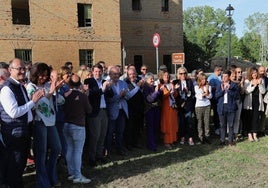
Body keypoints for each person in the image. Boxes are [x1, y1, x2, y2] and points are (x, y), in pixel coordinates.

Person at [0, 58, 43, 188]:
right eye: (19, 69)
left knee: (20, 165)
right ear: (10, 70)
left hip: (23, 131)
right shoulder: (7, 89)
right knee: (15, 167)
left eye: (24, 68)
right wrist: (33, 102)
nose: (23, 71)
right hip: (14, 134)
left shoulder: (19, 86)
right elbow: (13, 112)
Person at [27, 62, 62, 188]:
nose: (43, 77)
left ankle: (51, 175)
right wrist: (50, 93)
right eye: (41, 75)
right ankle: (43, 183)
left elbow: (61, 100)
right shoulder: (31, 86)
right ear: (35, 74)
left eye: (45, 75)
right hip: (40, 122)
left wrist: (56, 91)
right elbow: (38, 105)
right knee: (41, 154)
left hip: (51, 122)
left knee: (57, 148)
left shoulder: (48, 85)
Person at [63, 74, 92, 184]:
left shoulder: (65, 95)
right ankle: (77, 175)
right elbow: (89, 110)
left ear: (69, 84)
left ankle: (72, 173)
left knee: (70, 149)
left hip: (66, 125)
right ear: (79, 84)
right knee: (77, 151)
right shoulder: (82, 96)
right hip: (78, 126)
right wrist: (86, 95)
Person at [83, 64, 112, 166]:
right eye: (96, 71)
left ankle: (99, 155)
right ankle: (91, 158)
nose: (98, 73)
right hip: (95, 112)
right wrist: (102, 89)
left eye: (100, 72)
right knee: (95, 136)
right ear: (92, 72)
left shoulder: (104, 82)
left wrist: (109, 88)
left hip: (104, 111)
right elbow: (90, 93)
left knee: (102, 135)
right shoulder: (89, 81)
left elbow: (110, 95)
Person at [105, 66, 137, 156]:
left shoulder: (123, 83)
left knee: (120, 131)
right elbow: (108, 100)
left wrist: (125, 95)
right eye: (114, 74)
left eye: (118, 74)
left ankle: (119, 148)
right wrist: (119, 96)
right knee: (110, 132)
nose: (116, 75)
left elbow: (128, 96)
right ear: (110, 74)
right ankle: (108, 150)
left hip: (122, 111)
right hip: (112, 111)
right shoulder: (107, 84)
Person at [215, 70, 239, 146]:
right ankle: (222, 140)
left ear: (229, 77)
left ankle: (230, 141)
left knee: (231, 125)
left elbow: (236, 96)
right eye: (223, 76)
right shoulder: (219, 85)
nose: (224, 78)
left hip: (230, 107)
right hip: (221, 107)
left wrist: (229, 90)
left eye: (225, 76)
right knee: (222, 125)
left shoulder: (233, 85)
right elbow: (216, 96)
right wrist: (222, 91)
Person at [173, 67, 195, 145]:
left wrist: (188, 92)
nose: (183, 75)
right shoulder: (175, 82)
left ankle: (190, 137)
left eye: (184, 73)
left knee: (189, 122)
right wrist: (175, 90)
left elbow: (192, 94)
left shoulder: (189, 82)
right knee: (181, 122)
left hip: (188, 104)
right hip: (180, 106)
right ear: (178, 74)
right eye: (181, 73)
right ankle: (182, 137)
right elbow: (173, 95)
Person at [243, 67, 266, 142]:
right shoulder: (247, 81)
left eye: (255, 72)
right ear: (250, 73)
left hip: (257, 102)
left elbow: (263, 92)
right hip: (249, 103)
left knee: (256, 119)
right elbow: (246, 91)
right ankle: (250, 134)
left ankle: (255, 134)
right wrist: (253, 85)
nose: (254, 74)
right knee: (249, 118)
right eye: (253, 73)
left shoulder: (260, 80)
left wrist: (259, 84)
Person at [124, 68, 145, 150]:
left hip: (138, 108)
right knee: (130, 127)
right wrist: (138, 87)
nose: (132, 76)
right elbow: (129, 96)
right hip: (130, 109)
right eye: (130, 74)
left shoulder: (137, 82)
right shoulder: (126, 83)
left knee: (137, 126)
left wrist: (141, 87)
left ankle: (135, 142)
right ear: (128, 75)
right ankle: (128, 144)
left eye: (133, 74)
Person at [143, 72, 163, 151]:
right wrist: (156, 91)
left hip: (156, 109)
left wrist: (160, 91)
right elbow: (149, 99)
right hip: (149, 110)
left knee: (155, 127)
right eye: (151, 79)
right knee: (150, 128)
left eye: (153, 78)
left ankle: (154, 142)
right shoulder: (146, 87)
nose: (152, 80)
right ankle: (151, 145)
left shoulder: (154, 86)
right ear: (146, 80)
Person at [159, 71, 178, 149]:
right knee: (167, 124)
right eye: (165, 75)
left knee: (173, 123)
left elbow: (175, 95)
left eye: (167, 75)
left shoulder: (171, 84)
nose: (166, 76)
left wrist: (174, 90)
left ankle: (172, 140)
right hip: (166, 107)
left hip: (173, 107)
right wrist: (169, 92)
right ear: (162, 77)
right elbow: (162, 97)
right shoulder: (160, 85)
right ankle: (167, 141)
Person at [194, 73, 212, 144]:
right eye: (203, 79)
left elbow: (210, 96)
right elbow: (199, 97)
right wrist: (206, 94)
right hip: (199, 106)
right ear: (200, 80)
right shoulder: (196, 87)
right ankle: (200, 137)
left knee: (207, 122)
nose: (204, 80)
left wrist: (207, 90)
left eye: (205, 79)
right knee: (200, 122)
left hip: (207, 105)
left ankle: (207, 137)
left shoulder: (208, 87)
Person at [207, 65, 222, 135]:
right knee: (215, 113)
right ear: (217, 70)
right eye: (220, 70)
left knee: (218, 113)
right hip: (213, 98)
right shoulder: (211, 78)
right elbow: (209, 87)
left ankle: (218, 127)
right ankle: (215, 128)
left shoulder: (219, 77)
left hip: (218, 98)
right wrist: (217, 87)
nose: (221, 72)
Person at [258, 66, 268, 136]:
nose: (262, 72)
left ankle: (261, 129)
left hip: (264, 99)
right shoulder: (256, 78)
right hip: (256, 98)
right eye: (261, 71)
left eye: (263, 71)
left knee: (263, 115)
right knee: (256, 115)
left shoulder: (266, 79)